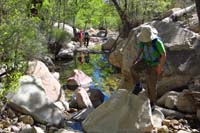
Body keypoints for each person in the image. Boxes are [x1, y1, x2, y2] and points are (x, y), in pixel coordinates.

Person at [131, 24, 166, 110]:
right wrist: (136, 59)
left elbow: (163, 55)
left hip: (154, 64)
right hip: (145, 61)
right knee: (133, 69)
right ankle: (138, 86)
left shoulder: (157, 42)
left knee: (151, 84)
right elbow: (140, 50)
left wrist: (159, 67)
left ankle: (153, 102)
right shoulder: (143, 42)